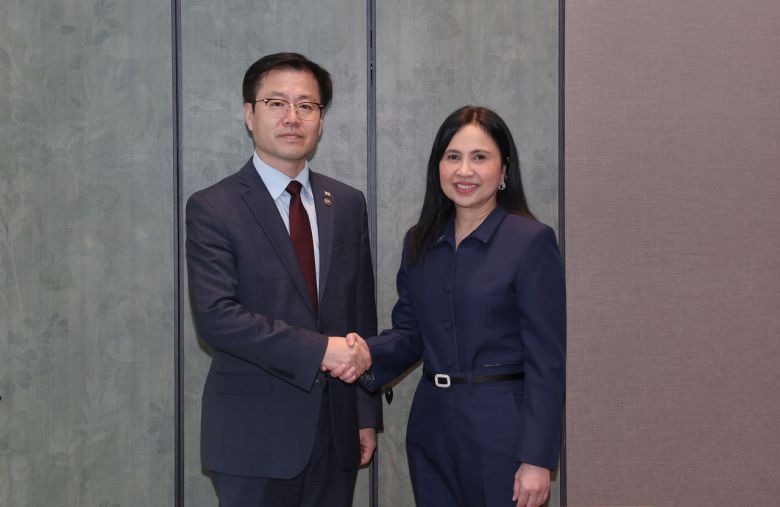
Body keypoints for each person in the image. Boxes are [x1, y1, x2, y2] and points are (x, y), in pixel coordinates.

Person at [185, 52, 382, 507]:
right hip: (253, 437)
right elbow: (216, 318)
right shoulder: (213, 207)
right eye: (276, 103)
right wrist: (320, 350)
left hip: (336, 433)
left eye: (306, 105)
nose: (292, 117)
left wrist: (365, 413)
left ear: (321, 120)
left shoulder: (347, 203)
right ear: (249, 114)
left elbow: (361, 315)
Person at [343, 106, 566, 506]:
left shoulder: (530, 241)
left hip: (503, 428)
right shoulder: (419, 241)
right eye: (452, 156)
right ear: (438, 167)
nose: (464, 170)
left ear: (504, 169)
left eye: (479, 157)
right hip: (431, 424)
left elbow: (546, 360)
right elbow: (410, 334)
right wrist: (363, 354)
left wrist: (537, 458)